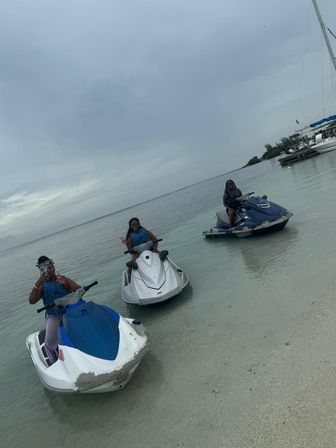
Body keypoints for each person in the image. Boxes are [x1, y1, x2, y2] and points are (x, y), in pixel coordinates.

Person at [28, 256, 81, 365]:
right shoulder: (42, 286)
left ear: (53, 266)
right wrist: (37, 283)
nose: (49, 270)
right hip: (54, 315)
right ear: (41, 271)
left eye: (50, 267)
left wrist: (66, 284)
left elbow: (79, 290)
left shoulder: (63, 279)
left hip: (70, 312)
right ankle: (55, 361)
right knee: (50, 341)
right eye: (45, 269)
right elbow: (32, 300)